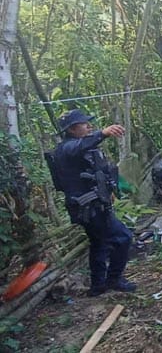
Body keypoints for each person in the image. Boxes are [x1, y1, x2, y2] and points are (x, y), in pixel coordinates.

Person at [49, 110, 135, 297]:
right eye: (84, 124)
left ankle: (97, 286)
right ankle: (114, 280)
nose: (89, 126)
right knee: (123, 237)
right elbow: (81, 146)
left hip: (94, 206)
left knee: (100, 243)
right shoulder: (66, 148)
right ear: (72, 129)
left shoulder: (79, 146)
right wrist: (103, 133)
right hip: (88, 209)